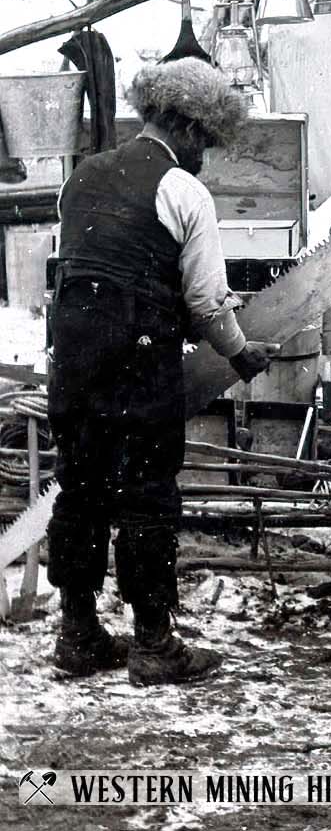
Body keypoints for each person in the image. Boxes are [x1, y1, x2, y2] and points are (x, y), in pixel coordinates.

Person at [48, 58, 276, 685]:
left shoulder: (82, 177)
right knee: (148, 497)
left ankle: (79, 636)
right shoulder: (183, 191)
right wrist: (239, 353)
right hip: (138, 362)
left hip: (74, 360)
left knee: (81, 490)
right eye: (203, 138)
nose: (204, 153)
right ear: (182, 124)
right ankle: (153, 647)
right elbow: (206, 301)